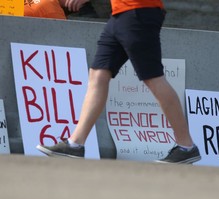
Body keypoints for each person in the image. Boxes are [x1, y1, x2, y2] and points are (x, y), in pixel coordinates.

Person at [36, 0, 201, 164]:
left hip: (137, 11)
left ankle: (186, 147)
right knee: (98, 74)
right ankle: (75, 144)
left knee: (153, 77)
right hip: (121, 13)